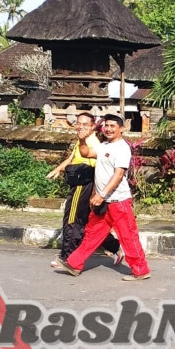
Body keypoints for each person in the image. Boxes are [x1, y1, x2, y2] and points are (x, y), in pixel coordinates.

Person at [56, 114, 151, 281]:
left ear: (121, 128)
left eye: (112, 126)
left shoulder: (122, 148)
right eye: (106, 125)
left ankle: (141, 270)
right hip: (103, 201)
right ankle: (74, 264)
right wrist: (82, 140)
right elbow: (86, 153)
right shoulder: (104, 146)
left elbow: (118, 175)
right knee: (92, 233)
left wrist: (102, 194)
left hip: (118, 201)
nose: (108, 129)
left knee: (128, 236)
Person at [46, 113, 122, 268]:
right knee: (87, 223)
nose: (81, 127)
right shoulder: (82, 139)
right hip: (80, 184)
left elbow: (99, 164)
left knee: (72, 220)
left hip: (83, 185)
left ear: (92, 126)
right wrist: (58, 169)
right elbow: (72, 158)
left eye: (85, 124)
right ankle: (115, 247)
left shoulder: (93, 142)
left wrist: (98, 191)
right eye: (78, 123)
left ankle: (67, 257)